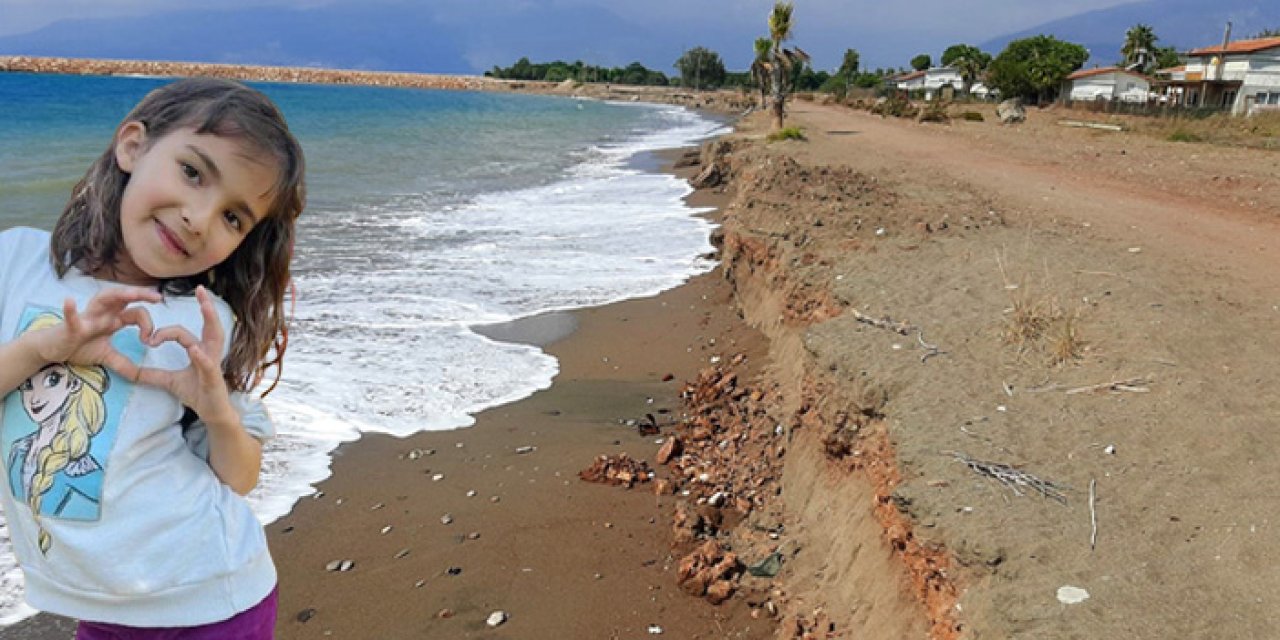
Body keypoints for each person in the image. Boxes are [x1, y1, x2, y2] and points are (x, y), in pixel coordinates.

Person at [0, 77, 305, 639]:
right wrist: (45, 348)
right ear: (133, 145)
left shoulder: (201, 321)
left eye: (233, 217)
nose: (199, 217)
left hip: (214, 595)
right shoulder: (15, 262)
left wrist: (216, 410)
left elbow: (238, 477)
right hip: (99, 606)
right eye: (192, 172)